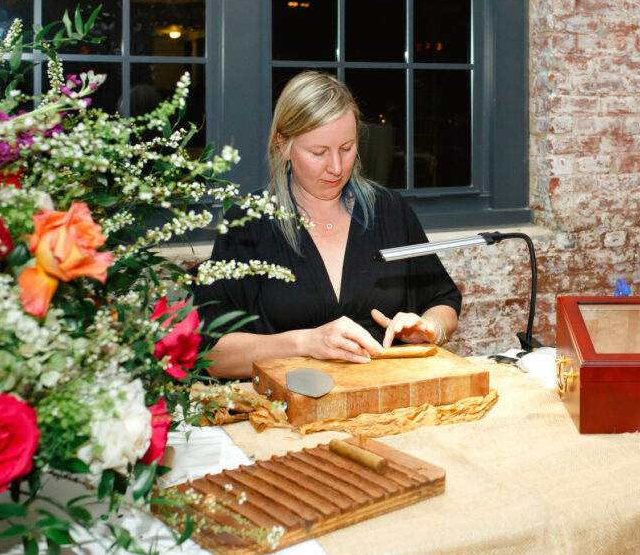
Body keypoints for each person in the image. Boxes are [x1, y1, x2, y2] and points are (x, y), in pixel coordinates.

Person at [194, 71, 461, 379]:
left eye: (347, 148)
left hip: (384, 407)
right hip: (285, 414)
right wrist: (306, 341)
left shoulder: (389, 211)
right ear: (283, 146)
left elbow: (443, 300)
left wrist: (430, 329)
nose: (336, 167)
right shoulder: (249, 223)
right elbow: (211, 354)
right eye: (319, 153)